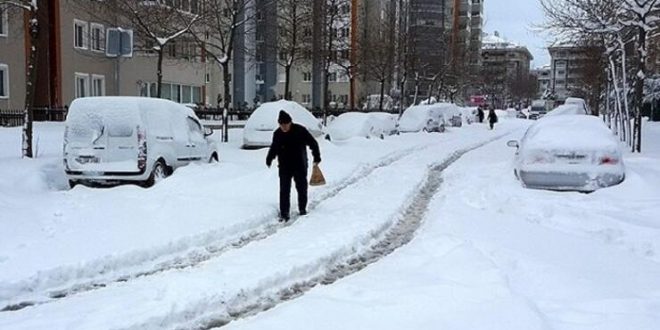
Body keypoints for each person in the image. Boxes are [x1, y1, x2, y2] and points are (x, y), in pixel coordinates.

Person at [266, 110, 321, 222]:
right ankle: (284, 213)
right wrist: (269, 158)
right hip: (284, 166)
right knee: (284, 190)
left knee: (301, 188)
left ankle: (302, 209)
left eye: (286, 124)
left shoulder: (300, 130)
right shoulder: (277, 134)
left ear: (290, 122)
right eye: (282, 125)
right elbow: (274, 147)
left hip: (299, 164)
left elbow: (313, 143)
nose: (284, 127)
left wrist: (316, 157)